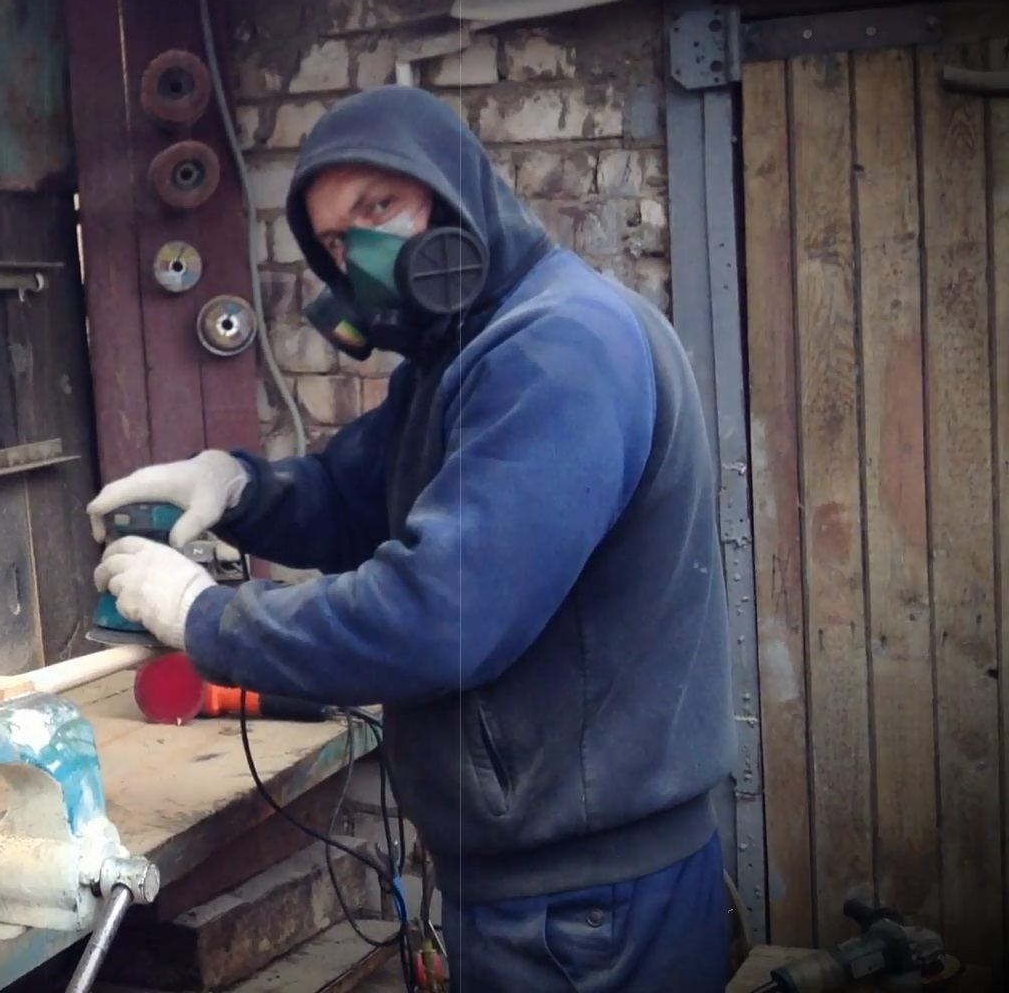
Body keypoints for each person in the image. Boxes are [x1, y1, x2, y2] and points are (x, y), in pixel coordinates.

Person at [87, 85, 738, 993]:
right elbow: (349, 497)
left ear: (456, 191)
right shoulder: (461, 355)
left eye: (380, 207)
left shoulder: (557, 350)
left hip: (587, 908)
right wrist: (236, 486)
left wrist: (206, 616)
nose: (363, 254)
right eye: (339, 242)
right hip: (542, 890)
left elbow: (441, 615)